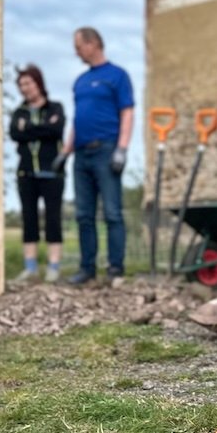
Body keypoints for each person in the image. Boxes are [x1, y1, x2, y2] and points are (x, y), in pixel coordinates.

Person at [54, 27, 134, 285]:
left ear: (93, 44)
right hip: (81, 155)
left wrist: (122, 148)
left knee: (112, 213)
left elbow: (127, 112)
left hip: (106, 150)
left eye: (78, 47)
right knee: (83, 215)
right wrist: (65, 152)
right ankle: (87, 268)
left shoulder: (117, 75)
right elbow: (78, 120)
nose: (76, 53)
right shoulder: (80, 81)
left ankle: (115, 269)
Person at [9, 65, 66, 283]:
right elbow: (15, 134)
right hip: (26, 173)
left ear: (38, 83)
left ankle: (54, 267)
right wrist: (40, 129)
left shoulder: (55, 108)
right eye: (21, 85)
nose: (25, 88)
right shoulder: (19, 112)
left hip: (51, 173)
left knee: (53, 219)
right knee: (29, 218)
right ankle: (30, 268)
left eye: (28, 83)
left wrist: (29, 130)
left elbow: (55, 130)